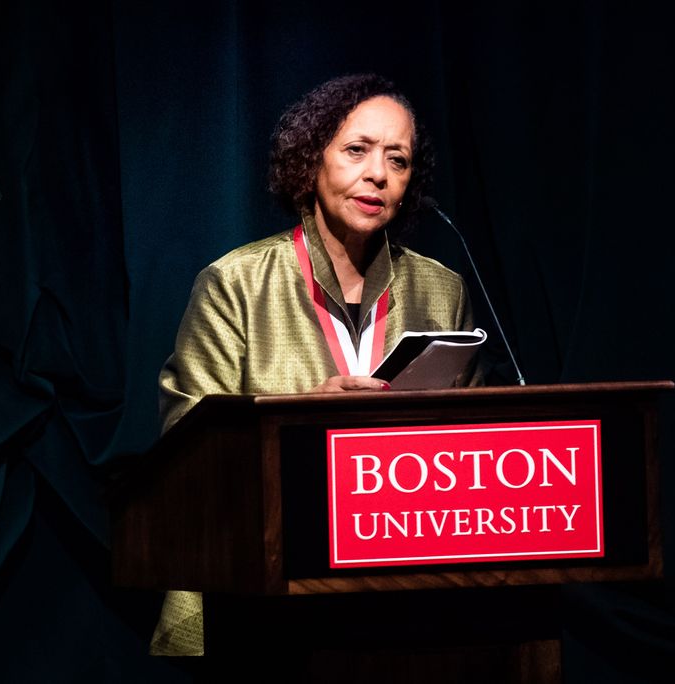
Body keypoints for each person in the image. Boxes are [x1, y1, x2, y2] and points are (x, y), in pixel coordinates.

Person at [150, 74, 479, 656]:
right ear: (311, 164)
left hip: (406, 584)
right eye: (357, 150)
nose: (377, 173)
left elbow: (473, 444)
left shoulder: (440, 289)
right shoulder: (236, 284)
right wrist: (293, 420)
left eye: (397, 160)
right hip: (262, 588)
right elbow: (186, 450)